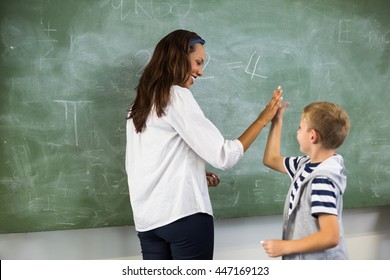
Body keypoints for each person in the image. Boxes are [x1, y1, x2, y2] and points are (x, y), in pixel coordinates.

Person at [125, 29, 283, 260]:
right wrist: (263, 119)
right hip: (184, 218)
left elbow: (143, 165)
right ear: (179, 57)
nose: (201, 70)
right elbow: (224, 156)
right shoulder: (177, 96)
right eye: (198, 62)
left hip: (148, 223)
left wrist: (194, 172)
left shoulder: (137, 107)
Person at [262, 101, 350, 259]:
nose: (297, 132)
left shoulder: (322, 180)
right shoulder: (304, 165)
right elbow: (271, 159)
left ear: (312, 136)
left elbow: (331, 236)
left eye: (300, 128)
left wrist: (285, 247)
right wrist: (277, 121)